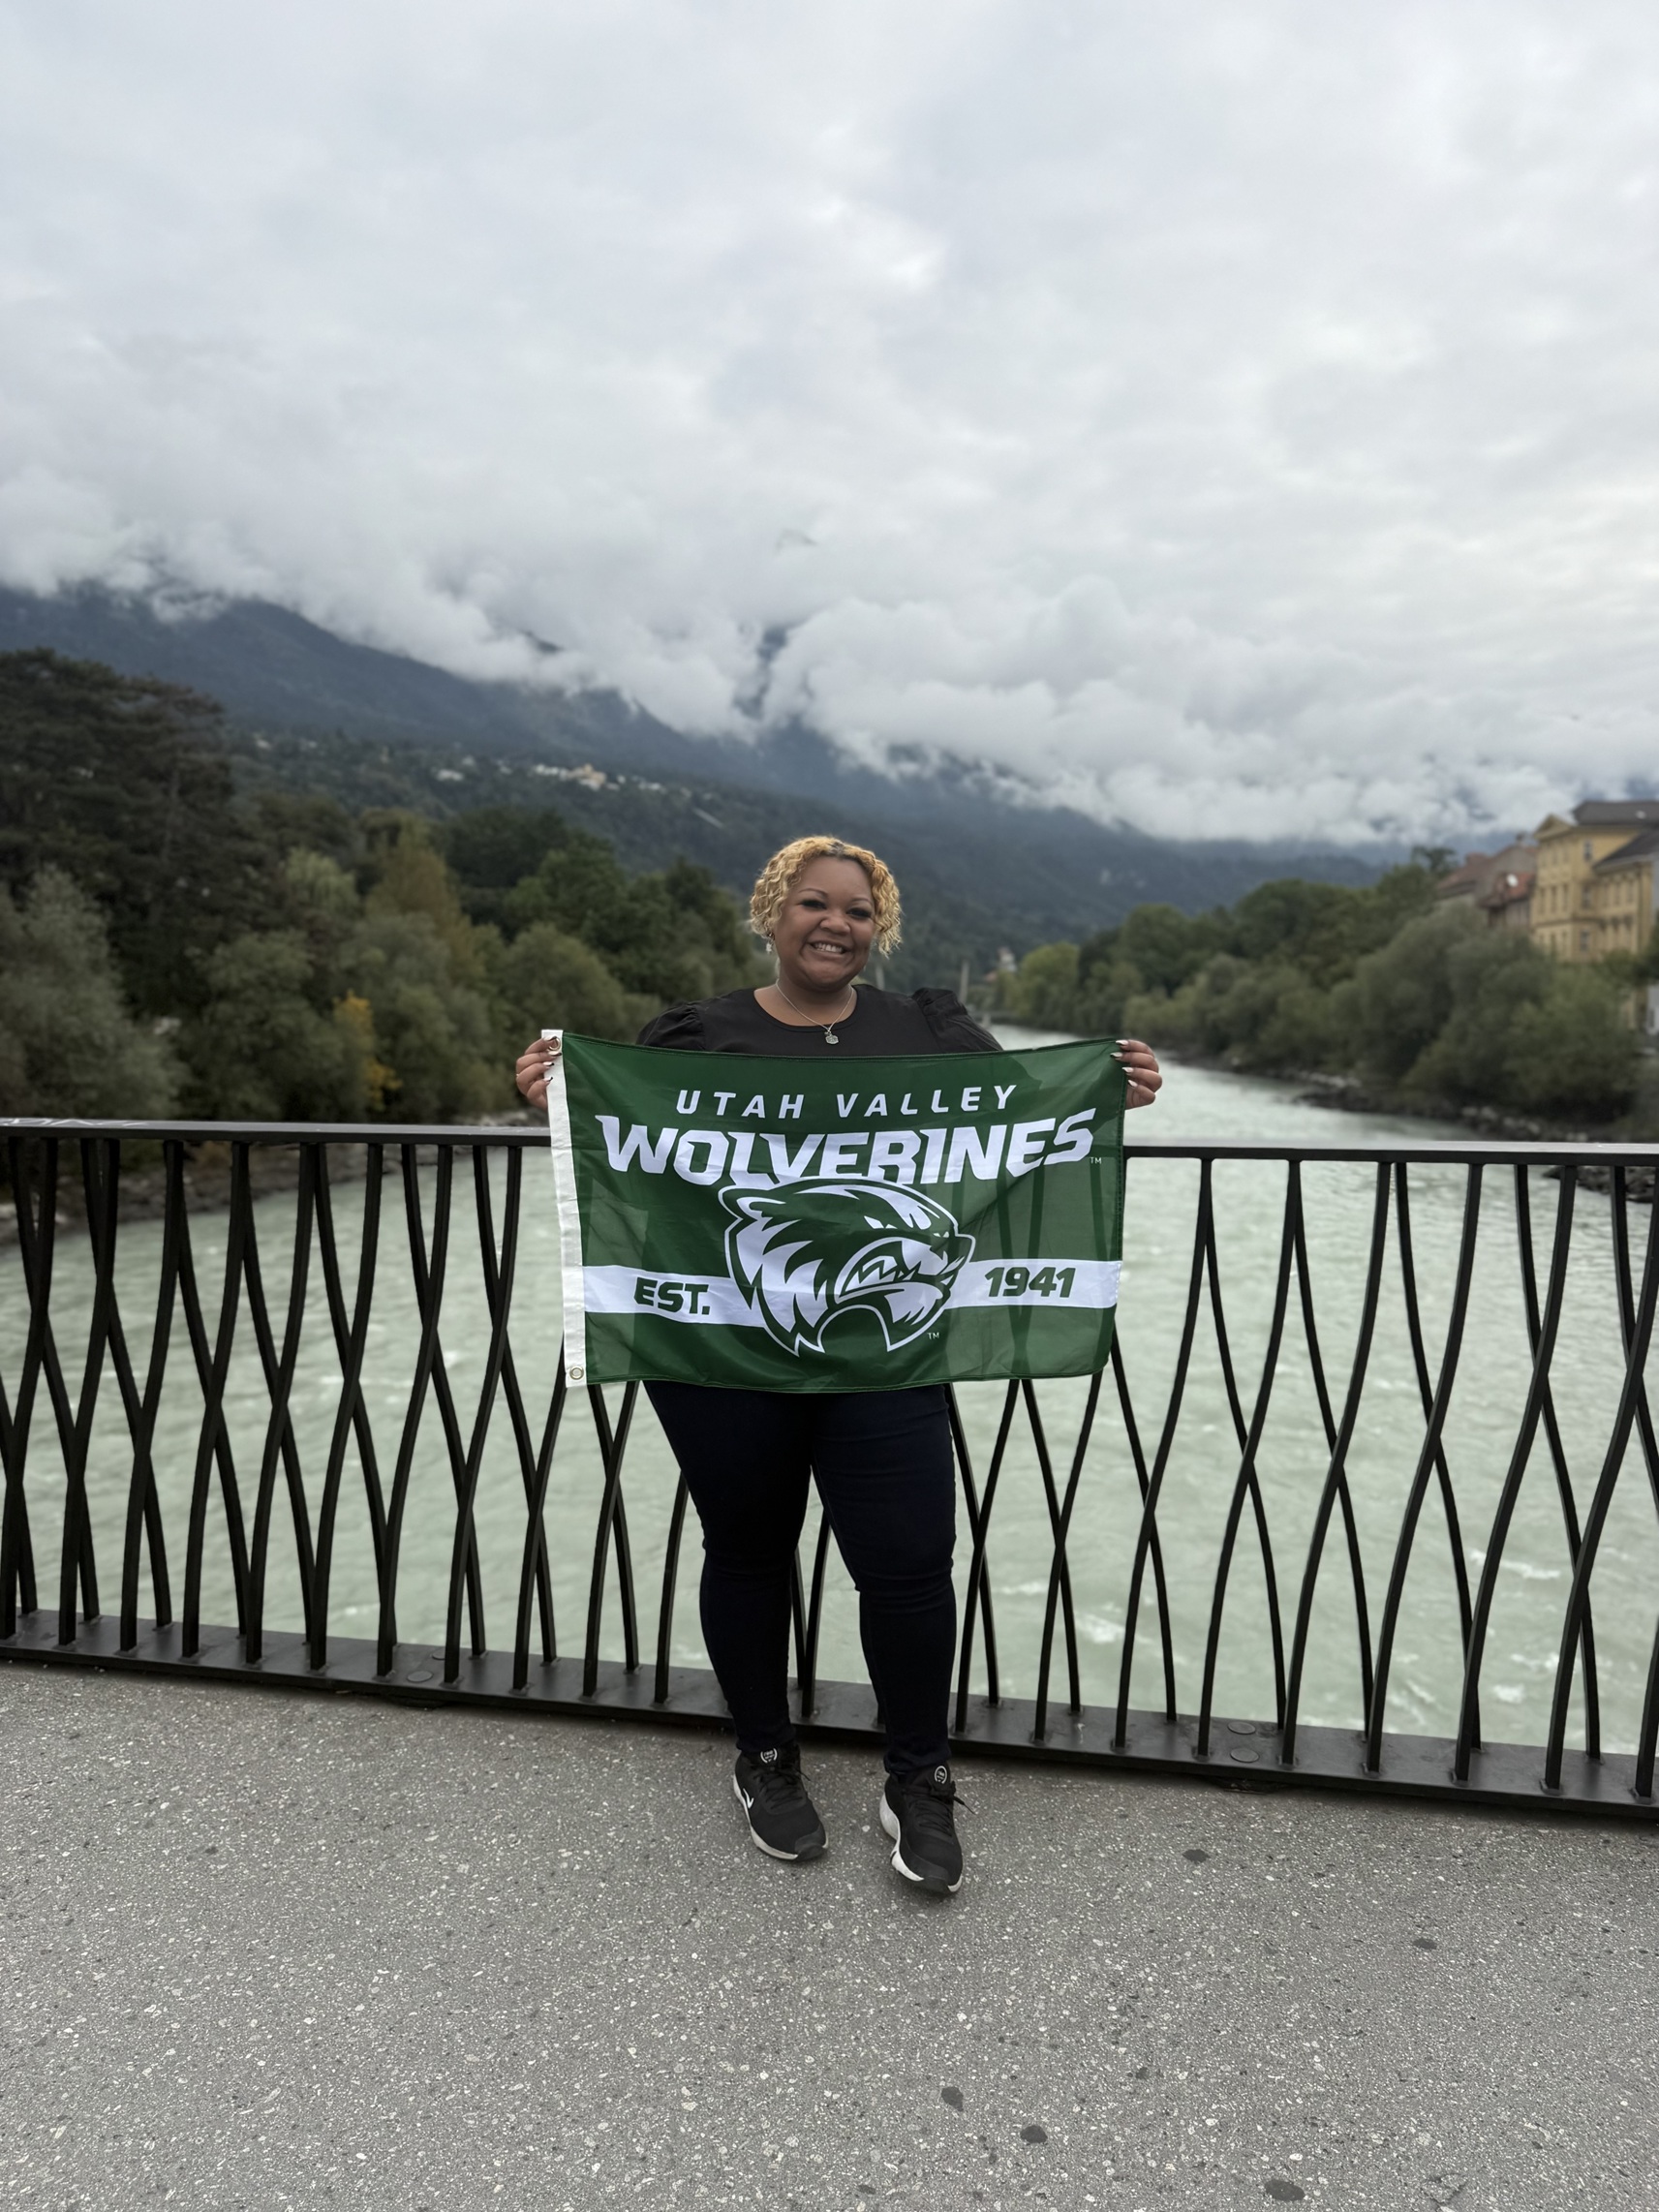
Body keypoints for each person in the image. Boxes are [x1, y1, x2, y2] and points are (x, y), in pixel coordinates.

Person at [517, 834, 1162, 1895]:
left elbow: (1015, 1126)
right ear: (773, 914)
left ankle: (919, 1775)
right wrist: (558, 1098)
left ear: (880, 927)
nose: (836, 924)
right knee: (750, 1551)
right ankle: (765, 1757)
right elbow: (629, 1159)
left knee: (907, 1568)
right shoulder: (697, 1035)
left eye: (858, 911)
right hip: (725, 1353)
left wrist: (1106, 1093)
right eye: (813, 904)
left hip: (892, 1355)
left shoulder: (927, 1030)